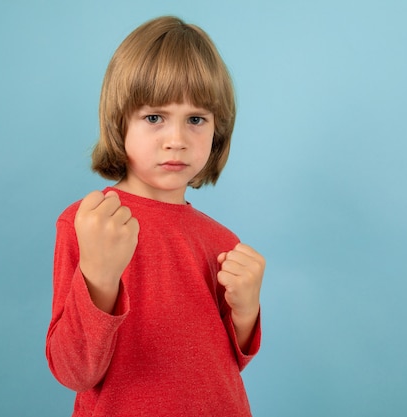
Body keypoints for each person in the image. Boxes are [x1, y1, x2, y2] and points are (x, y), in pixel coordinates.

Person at [46, 15, 265, 416]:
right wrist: (98, 277)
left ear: (218, 131)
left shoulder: (222, 242)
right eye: (154, 118)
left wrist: (247, 310)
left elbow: (223, 364)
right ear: (119, 123)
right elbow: (74, 371)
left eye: (196, 119)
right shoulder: (89, 222)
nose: (177, 140)